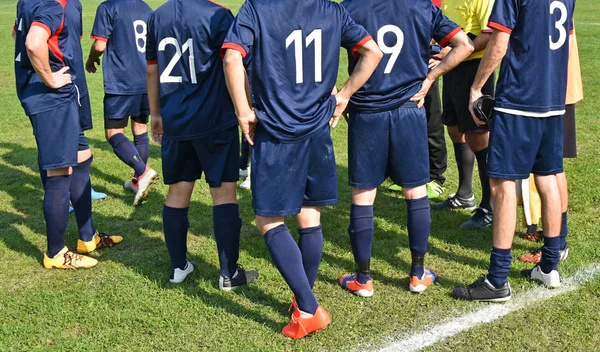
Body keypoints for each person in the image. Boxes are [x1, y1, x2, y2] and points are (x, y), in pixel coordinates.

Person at [222, 0, 381, 339]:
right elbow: (372, 51)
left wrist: (242, 111)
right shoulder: (331, 9)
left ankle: (308, 307)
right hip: (317, 130)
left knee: (268, 220)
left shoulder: (257, 8)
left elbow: (232, 56)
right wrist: (345, 95)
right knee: (309, 216)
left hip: (277, 131)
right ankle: (302, 298)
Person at [338, 0, 473, 298]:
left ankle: (363, 278)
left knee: (364, 193)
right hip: (409, 109)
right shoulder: (421, 6)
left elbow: (319, 53)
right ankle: (417, 274)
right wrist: (430, 78)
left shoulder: (350, 7)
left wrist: (342, 94)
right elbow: (463, 45)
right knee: (416, 191)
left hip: (367, 111)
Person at [452, 0, 575, 302]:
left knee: (502, 186)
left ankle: (497, 280)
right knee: (549, 176)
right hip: (552, 100)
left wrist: (476, 87)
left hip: (520, 100)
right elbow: (566, 41)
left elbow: (499, 40)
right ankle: (549, 265)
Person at [146, 0, 259, 289]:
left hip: (176, 120)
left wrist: (156, 113)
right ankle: (229, 273)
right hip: (214, 121)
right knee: (223, 195)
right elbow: (233, 62)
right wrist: (245, 107)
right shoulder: (219, 15)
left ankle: (178, 267)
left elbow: (151, 70)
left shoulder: (157, 16)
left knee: (176, 194)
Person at [14, 0, 122, 269]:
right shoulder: (54, 4)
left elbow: (18, 33)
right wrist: (50, 77)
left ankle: (88, 237)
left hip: (62, 94)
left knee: (83, 158)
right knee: (59, 172)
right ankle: (55, 252)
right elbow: (32, 42)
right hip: (51, 97)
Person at [519, 26, 583, 264]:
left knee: (551, 168)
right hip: (555, 87)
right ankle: (555, 238)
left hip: (553, 88)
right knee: (548, 167)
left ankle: (559, 242)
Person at [431, 0, 496, 229]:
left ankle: (491, 206)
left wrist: (455, 50)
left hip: (474, 68)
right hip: (453, 67)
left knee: (478, 136)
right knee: (455, 130)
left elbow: (491, 35)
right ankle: (465, 193)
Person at [86, 0, 158, 206]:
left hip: (121, 81)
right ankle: (137, 181)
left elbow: (100, 45)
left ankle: (142, 171)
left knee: (114, 133)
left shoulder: (108, 7)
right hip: (146, 78)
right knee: (140, 129)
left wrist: (91, 59)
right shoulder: (146, 8)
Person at [389, 0, 448, 199]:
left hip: (425, 62)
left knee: (431, 118)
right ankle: (408, 175)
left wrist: (435, 49)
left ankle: (436, 176)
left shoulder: (428, 4)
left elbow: (434, 25)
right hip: (404, 62)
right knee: (406, 118)